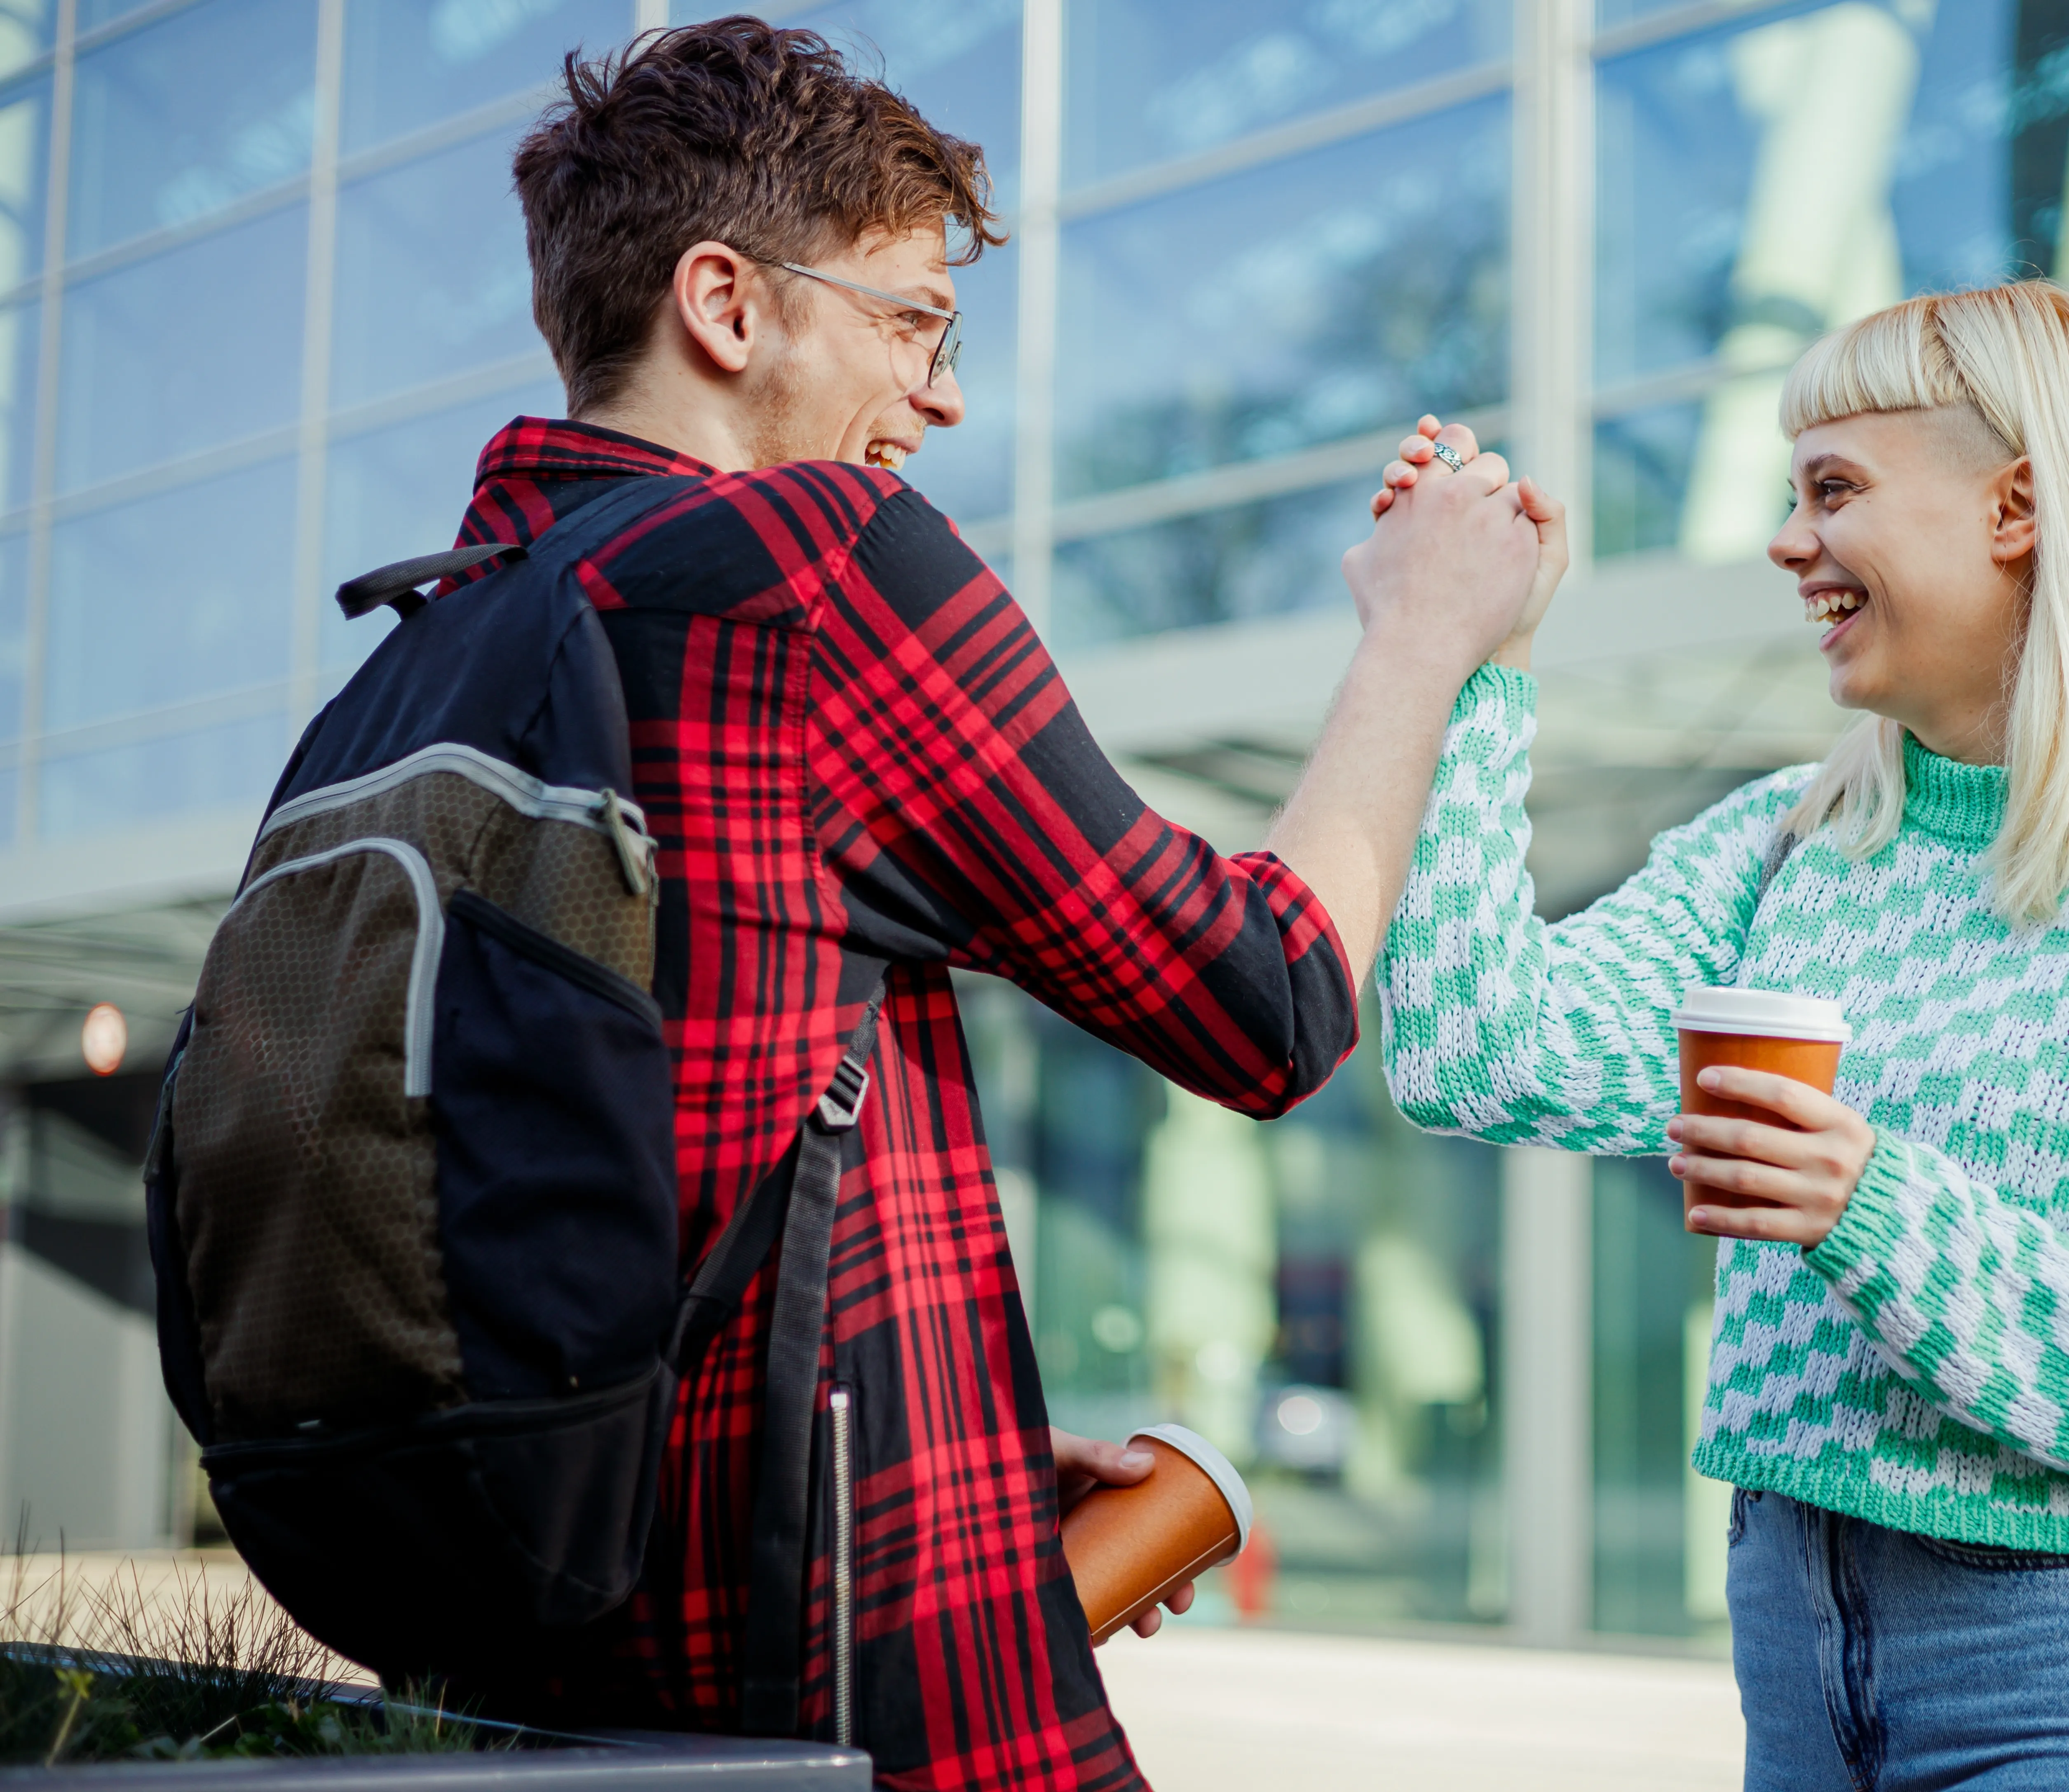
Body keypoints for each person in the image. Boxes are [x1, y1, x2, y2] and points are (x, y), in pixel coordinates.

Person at [457, 16, 1558, 1784]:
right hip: (859, 1699)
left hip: (541, 1663)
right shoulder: (809, 565)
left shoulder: (447, 630)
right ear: (729, 308)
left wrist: (938, 1415)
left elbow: (594, 1176)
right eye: (912, 324)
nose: (944, 396)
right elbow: (1264, 997)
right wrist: (1425, 632)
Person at [1373, 282, 2069, 1789]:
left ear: (2015, 508)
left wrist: (1873, 1209)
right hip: (1793, 1638)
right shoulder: (1779, 847)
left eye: (1836, 489)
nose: (1789, 542)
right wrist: (1479, 661)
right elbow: (1473, 1049)